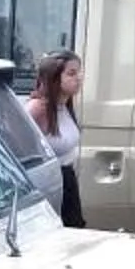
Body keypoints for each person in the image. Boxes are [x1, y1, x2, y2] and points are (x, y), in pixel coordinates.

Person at [27, 52, 88, 230]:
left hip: (67, 180)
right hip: (49, 183)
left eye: (79, 72)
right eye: (71, 73)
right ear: (54, 77)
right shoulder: (38, 109)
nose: (79, 78)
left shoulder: (64, 106)